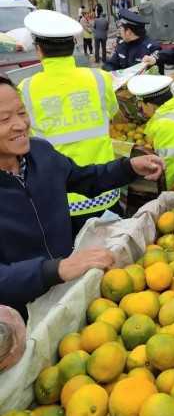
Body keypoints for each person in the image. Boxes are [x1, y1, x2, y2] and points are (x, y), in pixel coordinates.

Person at [0, 74, 164, 317]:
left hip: (68, 293)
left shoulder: (41, 152)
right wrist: (53, 270)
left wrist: (128, 167)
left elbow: (82, 178)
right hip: (18, 316)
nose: (21, 124)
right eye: (4, 119)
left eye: (22, 113)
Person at [20, 10, 123, 236]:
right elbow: (112, 111)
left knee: (72, 264)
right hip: (104, 188)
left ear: (39, 50)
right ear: (74, 44)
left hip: (59, 198)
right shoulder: (98, 78)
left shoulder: (26, 89)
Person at [128, 73, 174, 190]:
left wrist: (162, 193)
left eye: (141, 105)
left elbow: (168, 165)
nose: (141, 110)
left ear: (149, 105)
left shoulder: (166, 124)